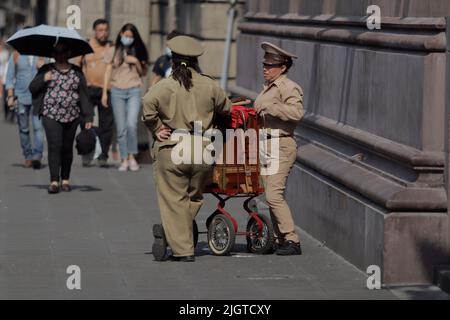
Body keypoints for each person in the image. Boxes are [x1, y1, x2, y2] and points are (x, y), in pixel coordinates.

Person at [142, 36, 231, 262]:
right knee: (194, 197)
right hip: (203, 149)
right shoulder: (210, 84)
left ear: (172, 61)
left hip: (173, 148)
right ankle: (174, 232)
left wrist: (157, 127)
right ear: (196, 62)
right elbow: (226, 108)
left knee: (174, 200)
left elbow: (147, 104)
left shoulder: (164, 86)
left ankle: (182, 250)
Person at [254, 42, 305, 256]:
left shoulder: (288, 87)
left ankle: (292, 240)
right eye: (264, 64)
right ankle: (279, 238)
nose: (265, 68)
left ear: (283, 67)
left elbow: (297, 113)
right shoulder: (269, 87)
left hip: (281, 145)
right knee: (269, 194)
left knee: (274, 194)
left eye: (271, 65)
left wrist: (272, 108)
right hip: (266, 145)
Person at [29, 42, 94, 194]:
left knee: (66, 148)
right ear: (53, 54)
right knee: (54, 146)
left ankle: (65, 179)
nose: (60, 55)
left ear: (68, 53)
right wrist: (43, 78)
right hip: (50, 114)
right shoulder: (46, 69)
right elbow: (32, 88)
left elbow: (84, 95)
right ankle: (53, 181)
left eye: (63, 52)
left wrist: (88, 117)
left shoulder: (77, 71)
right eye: (57, 52)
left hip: (72, 115)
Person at [102, 23, 149, 172]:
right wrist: (105, 92)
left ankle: (132, 157)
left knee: (131, 125)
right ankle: (124, 158)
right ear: (121, 34)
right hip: (117, 91)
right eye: (125, 35)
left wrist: (135, 62)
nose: (127, 38)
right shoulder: (113, 50)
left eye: (130, 36)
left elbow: (144, 73)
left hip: (134, 89)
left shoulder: (139, 50)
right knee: (121, 128)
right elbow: (108, 71)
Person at [77, 19, 115, 168]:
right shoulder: (86, 46)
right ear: (94, 31)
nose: (103, 33)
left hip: (105, 90)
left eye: (106, 30)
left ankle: (103, 156)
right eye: (100, 30)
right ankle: (86, 154)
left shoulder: (110, 47)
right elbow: (76, 66)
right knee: (84, 122)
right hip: (87, 89)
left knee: (107, 124)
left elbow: (111, 68)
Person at [5, 49, 46, 169]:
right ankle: (28, 155)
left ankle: (37, 156)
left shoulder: (43, 55)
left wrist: (43, 68)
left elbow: (51, 74)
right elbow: (9, 76)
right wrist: (10, 96)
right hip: (21, 96)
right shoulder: (16, 55)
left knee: (38, 127)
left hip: (38, 96)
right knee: (23, 128)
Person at [0, 38, 11, 122]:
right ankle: (7, 113)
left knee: (10, 98)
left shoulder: (11, 62)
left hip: (11, 82)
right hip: (4, 81)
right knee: (5, 100)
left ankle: (11, 114)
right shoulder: (4, 65)